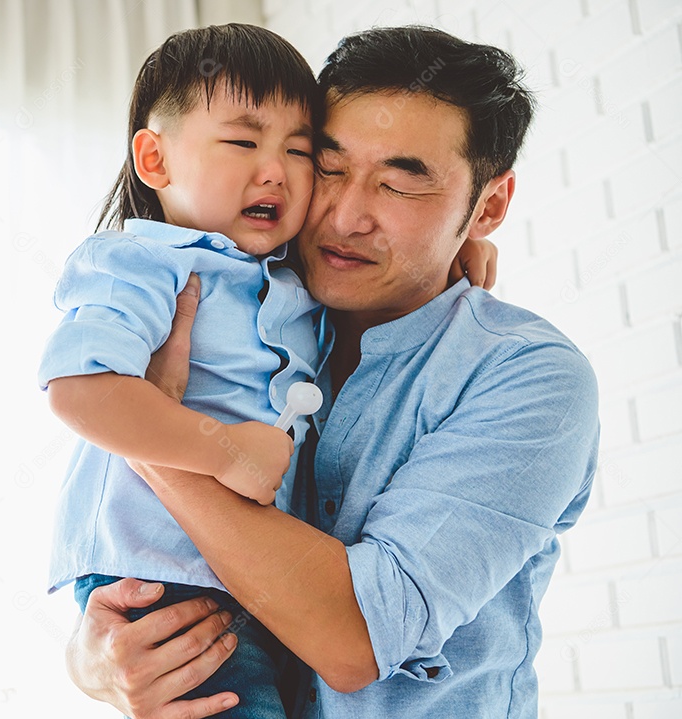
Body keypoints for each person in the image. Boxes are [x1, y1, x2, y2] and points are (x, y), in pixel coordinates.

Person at [63, 25, 600, 719]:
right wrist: (93, 659)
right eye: (328, 165)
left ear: (488, 205)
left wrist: (157, 443)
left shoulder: (530, 376)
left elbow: (355, 638)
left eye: (402, 185)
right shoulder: (251, 311)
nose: (346, 217)